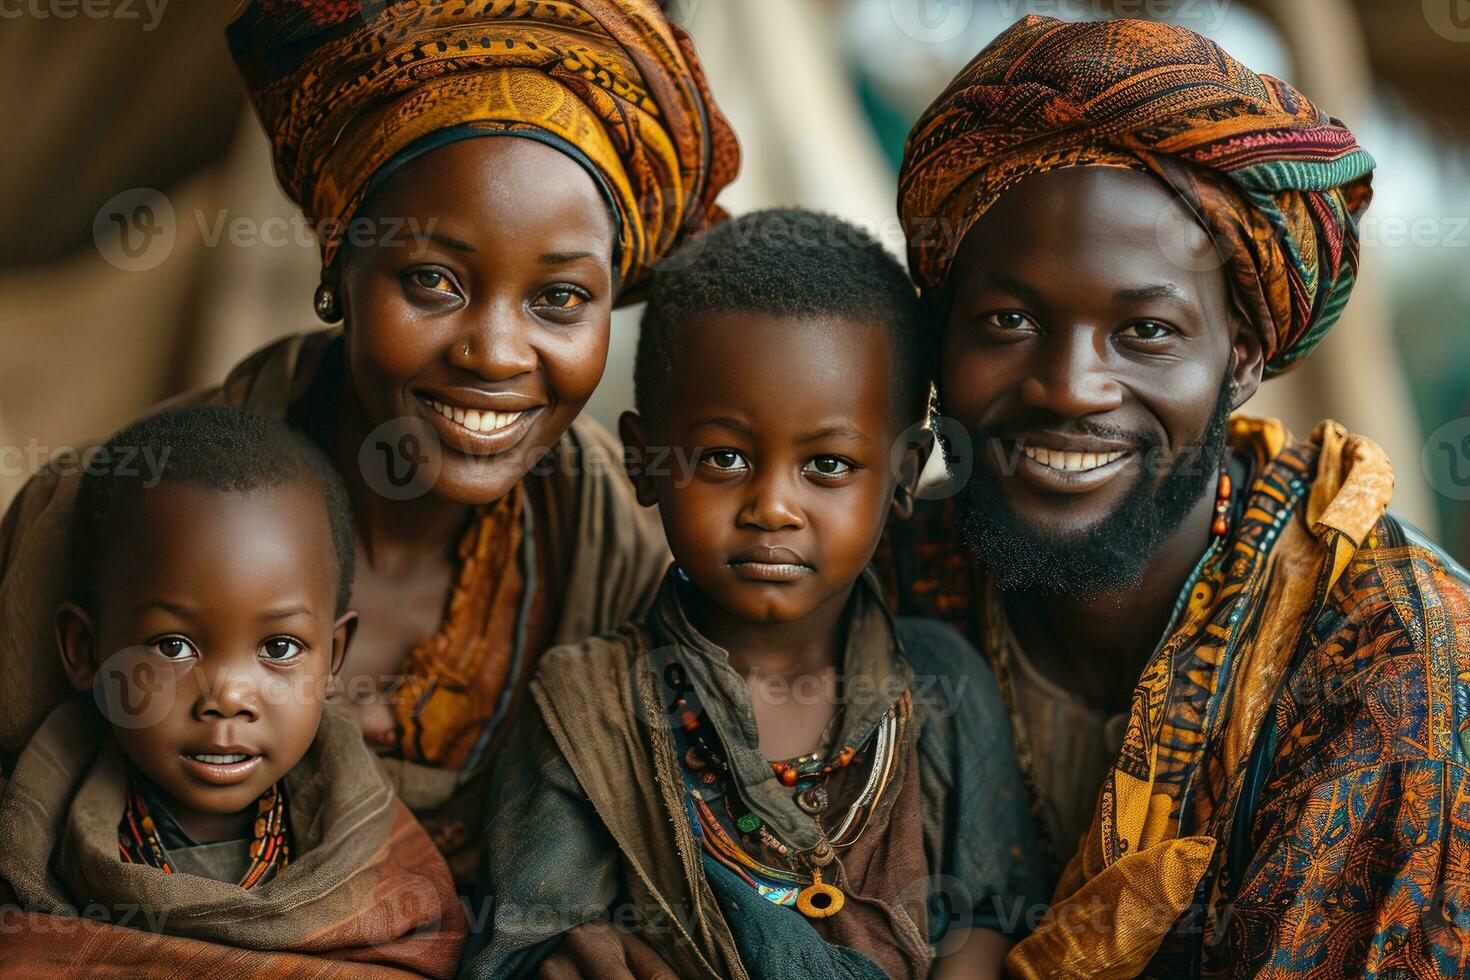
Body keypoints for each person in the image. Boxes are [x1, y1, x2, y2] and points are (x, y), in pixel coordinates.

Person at [0, 0, 738, 889]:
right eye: (432, 280)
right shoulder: (105, 515)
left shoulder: (624, 565)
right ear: (337, 264)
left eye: (560, 299)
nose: (495, 353)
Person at [890, 15, 1470, 978]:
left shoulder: (1393, 662)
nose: (1070, 386)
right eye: (1008, 319)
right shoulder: (877, 583)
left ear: (1241, 356)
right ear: (940, 333)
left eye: (1145, 332)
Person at [465, 210, 1046, 979]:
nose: (772, 506)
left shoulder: (942, 693)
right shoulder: (589, 713)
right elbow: (532, 948)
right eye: (725, 458)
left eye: (829, 466)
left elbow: (989, 917)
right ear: (645, 462)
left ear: (906, 473)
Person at [0, 406, 465, 976]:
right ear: (85, 651)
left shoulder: (384, 870)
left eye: (280, 648)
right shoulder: (28, 847)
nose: (228, 698)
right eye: (173, 647)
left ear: (334, 657)